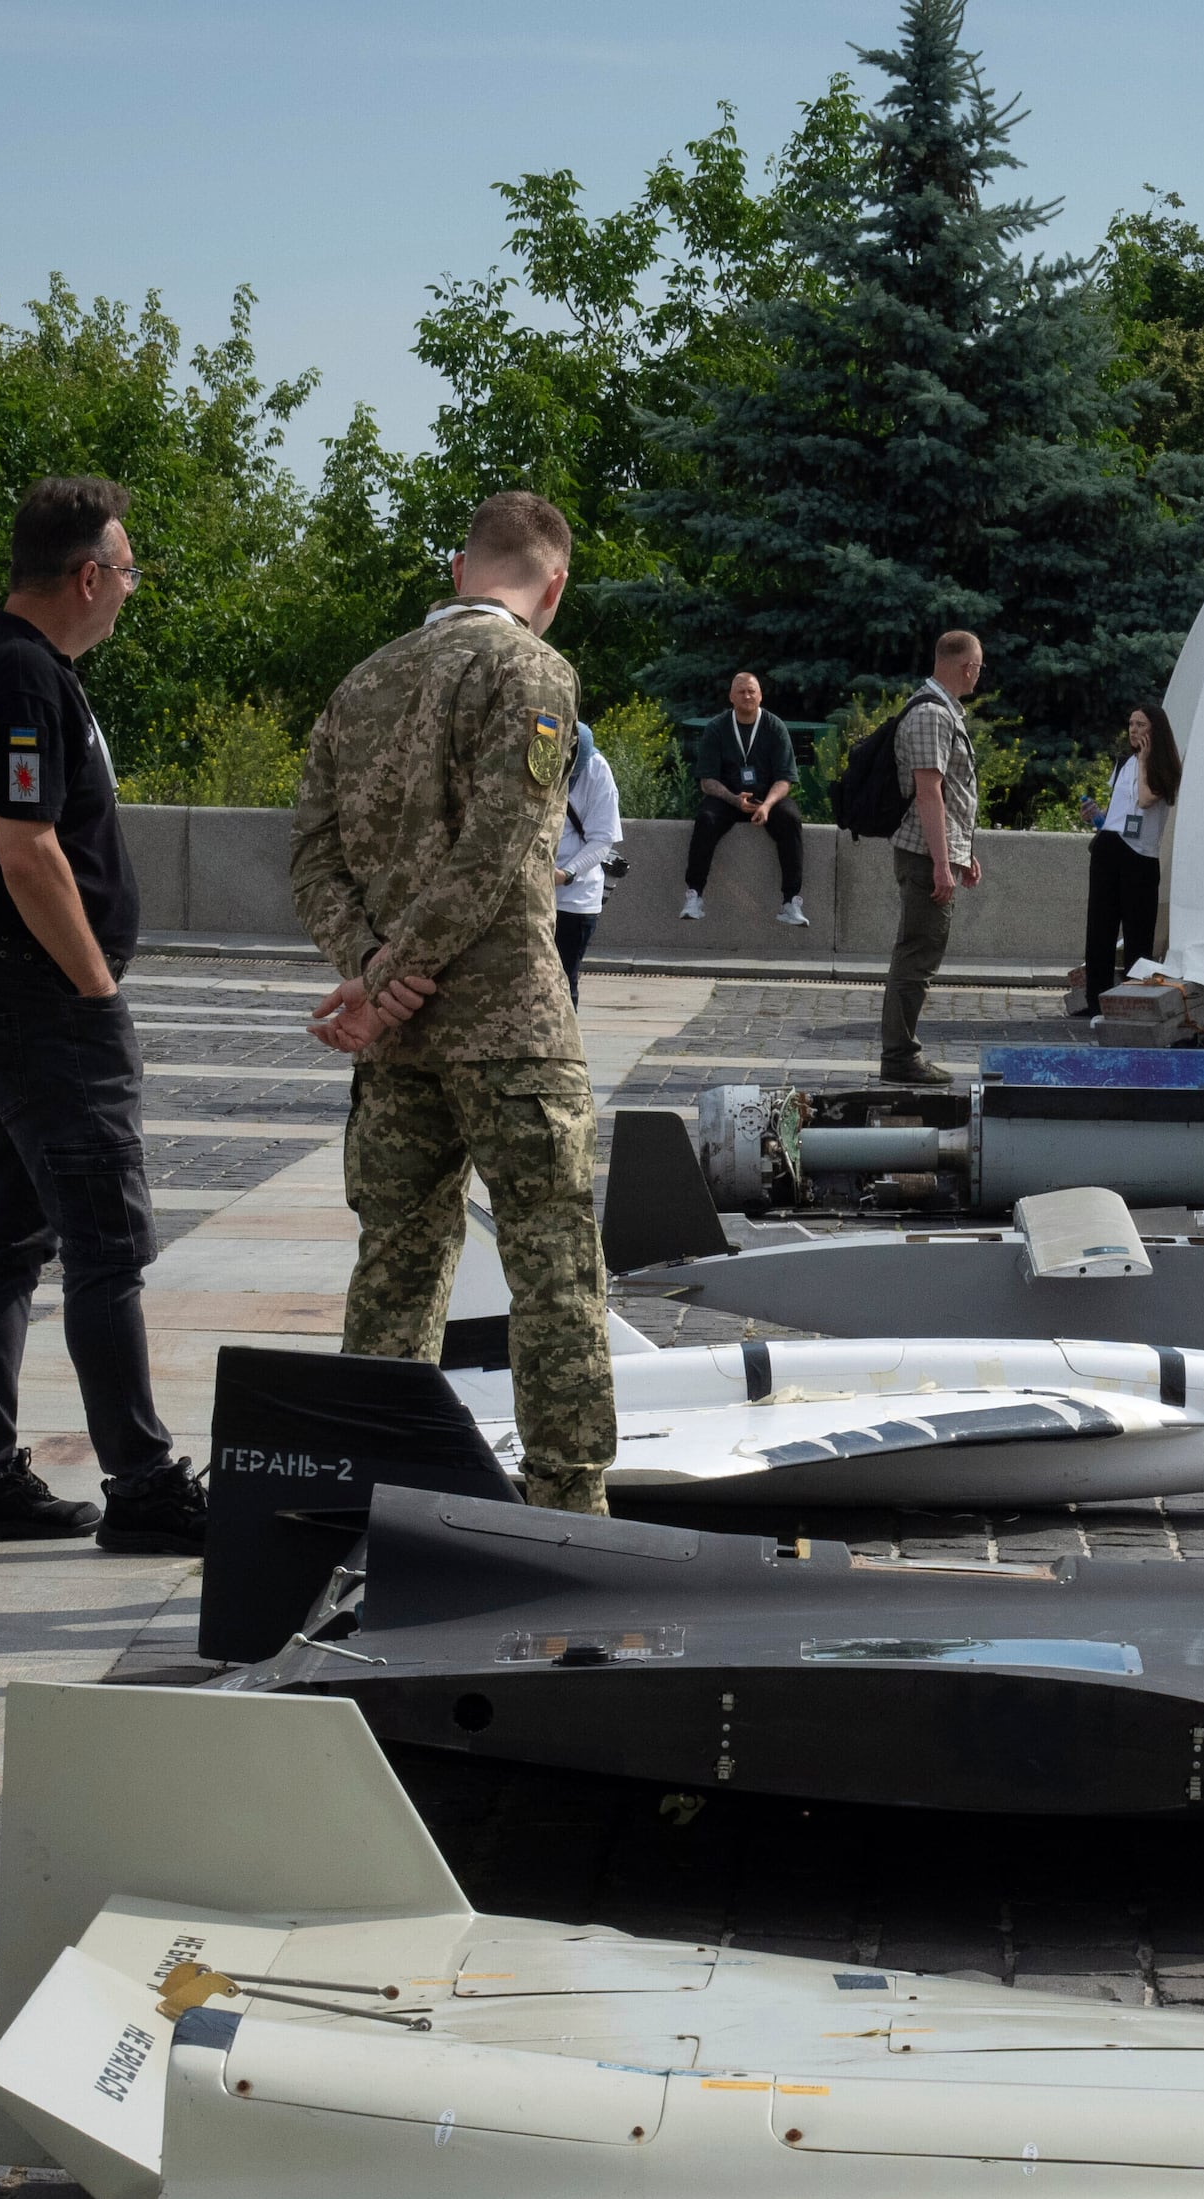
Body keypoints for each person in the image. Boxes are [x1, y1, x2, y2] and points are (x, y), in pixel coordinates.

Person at [293, 486, 617, 1515]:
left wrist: (371, 974)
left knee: (393, 1270)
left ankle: (371, 1499)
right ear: (552, 585)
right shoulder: (534, 669)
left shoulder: (361, 683)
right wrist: (390, 978)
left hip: (397, 1049)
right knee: (552, 1267)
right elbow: (504, 848)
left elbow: (311, 854)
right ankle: (569, 1506)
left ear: (457, 571)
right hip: (510, 1027)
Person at [0, 477, 203, 1553]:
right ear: (88, 575)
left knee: (3, 1239)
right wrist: (96, 987)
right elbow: (27, 850)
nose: (128, 592)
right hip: (34, 997)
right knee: (103, 1245)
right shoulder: (27, 680)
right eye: (126, 574)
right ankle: (142, 1484)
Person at [877, 628, 983, 1087]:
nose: (979, 673)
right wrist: (942, 863)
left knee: (919, 952)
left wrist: (963, 852)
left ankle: (901, 1054)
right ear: (967, 667)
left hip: (934, 851)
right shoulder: (932, 714)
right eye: (979, 665)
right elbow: (928, 792)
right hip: (923, 854)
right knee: (916, 955)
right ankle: (900, 1057)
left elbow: (950, 795)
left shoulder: (941, 711)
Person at [680, 673, 801, 923]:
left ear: (760, 695)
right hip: (729, 798)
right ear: (731, 696)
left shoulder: (774, 726)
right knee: (706, 819)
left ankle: (791, 902)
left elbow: (785, 779)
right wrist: (734, 799)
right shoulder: (716, 727)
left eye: (752, 691)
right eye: (741, 691)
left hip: (767, 800)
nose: (747, 696)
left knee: (790, 818)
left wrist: (767, 805)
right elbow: (707, 781)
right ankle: (694, 896)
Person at [1080, 701, 1175, 994]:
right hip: (1111, 845)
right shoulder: (1124, 763)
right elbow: (1117, 813)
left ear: (1155, 729)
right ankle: (1096, 996)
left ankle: (1134, 995)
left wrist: (1145, 760)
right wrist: (1096, 816)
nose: (1133, 730)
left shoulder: (1165, 764)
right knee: (1100, 927)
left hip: (1140, 855)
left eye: (1141, 725)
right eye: (1131, 724)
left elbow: (1147, 800)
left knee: (1138, 930)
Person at [553, 704, 619, 996]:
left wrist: (566, 873)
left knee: (564, 982)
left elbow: (603, 839)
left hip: (574, 899)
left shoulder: (596, 768)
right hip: (535, 894)